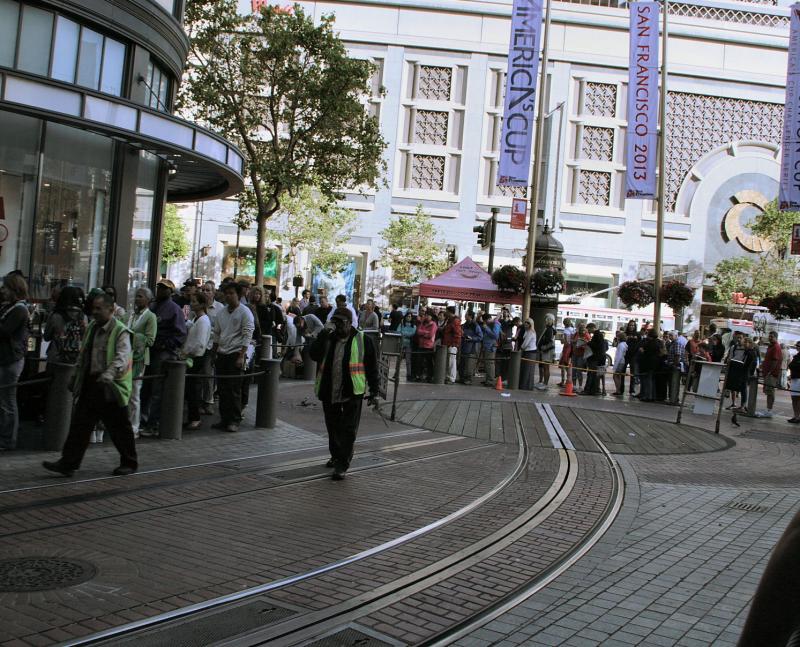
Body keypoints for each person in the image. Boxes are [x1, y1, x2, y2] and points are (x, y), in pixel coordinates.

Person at [42, 293, 137, 477]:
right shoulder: (92, 327)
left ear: (111, 309)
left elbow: (122, 357)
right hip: (91, 382)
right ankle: (68, 463)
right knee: (80, 424)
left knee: (119, 426)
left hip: (111, 386)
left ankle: (129, 462)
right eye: (93, 308)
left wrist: (109, 374)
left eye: (98, 309)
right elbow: (83, 354)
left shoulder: (121, 331)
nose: (94, 312)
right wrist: (76, 377)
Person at [309, 307, 379, 480]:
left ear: (350, 323)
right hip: (329, 390)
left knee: (348, 430)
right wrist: (322, 334)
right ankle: (336, 455)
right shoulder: (328, 338)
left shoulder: (363, 340)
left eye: (341, 322)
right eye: (336, 322)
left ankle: (342, 464)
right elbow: (313, 354)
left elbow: (372, 367)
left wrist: (374, 391)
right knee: (333, 427)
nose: (338, 326)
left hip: (352, 391)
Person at [140, 279, 187, 436]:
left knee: (156, 390)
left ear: (170, 291)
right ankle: (143, 420)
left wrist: (166, 345)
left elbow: (180, 334)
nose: (160, 290)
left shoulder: (174, 309)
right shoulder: (152, 306)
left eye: (164, 288)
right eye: (159, 287)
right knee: (146, 387)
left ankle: (153, 424)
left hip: (162, 353)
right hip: (148, 351)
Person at [212, 282, 254, 432]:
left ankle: (234, 420)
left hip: (236, 353)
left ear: (238, 294)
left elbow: (247, 334)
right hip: (222, 353)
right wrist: (214, 353)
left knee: (234, 389)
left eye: (232, 293)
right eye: (226, 293)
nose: (228, 296)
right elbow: (217, 333)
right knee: (222, 389)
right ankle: (224, 418)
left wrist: (241, 355)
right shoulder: (221, 313)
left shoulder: (245, 312)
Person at [0, 273, 30, 450]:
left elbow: (4, 331)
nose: (2, 290)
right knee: (4, 399)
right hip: (6, 358)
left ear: (14, 289)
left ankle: (7, 439)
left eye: (5, 287)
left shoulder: (19, 310)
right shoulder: (9, 307)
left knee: (7, 400)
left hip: (10, 359)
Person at [127, 288, 157, 439]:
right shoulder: (131, 315)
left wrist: (133, 337)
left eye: (140, 296)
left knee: (134, 393)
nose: (137, 299)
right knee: (126, 392)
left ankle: (134, 427)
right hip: (127, 357)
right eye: (136, 296)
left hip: (139, 359)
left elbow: (150, 340)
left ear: (148, 299)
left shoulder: (150, 317)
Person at [181, 292, 212, 430]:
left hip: (196, 358)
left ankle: (195, 418)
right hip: (192, 356)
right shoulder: (196, 319)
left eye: (194, 301)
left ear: (201, 304)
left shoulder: (203, 321)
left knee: (193, 389)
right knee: (190, 389)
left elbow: (199, 343)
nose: (192, 304)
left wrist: (187, 353)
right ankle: (192, 417)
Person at [43, 286, 86, 368]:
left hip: (55, 357)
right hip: (75, 359)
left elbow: (46, 337)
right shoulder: (82, 316)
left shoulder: (55, 315)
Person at [723, 332, 749, 411]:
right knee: (732, 387)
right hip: (734, 367)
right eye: (737, 338)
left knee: (743, 388)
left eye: (740, 338)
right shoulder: (733, 347)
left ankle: (743, 405)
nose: (738, 339)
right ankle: (733, 403)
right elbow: (730, 357)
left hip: (742, 369)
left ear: (744, 338)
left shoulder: (746, 348)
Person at [760, 331, 782, 418]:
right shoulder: (771, 346)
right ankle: (768, 409)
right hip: (768, 373)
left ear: (776, 337)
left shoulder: (776, 347)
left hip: (772, 374)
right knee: (768, 392)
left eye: (771, 337)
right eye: (769, 336)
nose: (769, 338)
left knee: (770, 392)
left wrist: (770, 372)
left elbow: (775, 360)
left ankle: (769, 410)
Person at [414, 309, 437, 382]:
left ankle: (429, 377)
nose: (426, 317)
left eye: (428, 315)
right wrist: (426, 332)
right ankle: (419, 376)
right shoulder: (422, 323)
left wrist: (423, 333)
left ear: (431, 316)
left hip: (429, 346)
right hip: (421, 345)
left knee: (428, 362)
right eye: (426, 315)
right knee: (419, 362)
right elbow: (418, 331)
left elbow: (430, 335)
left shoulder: (433, 324)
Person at [460, 311, 482, 386]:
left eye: (466, 315)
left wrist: (472, 338)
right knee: (462, 364)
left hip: (471, 348)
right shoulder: (464, 325)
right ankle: (462, 378)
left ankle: (468, 379)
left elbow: (480, 337)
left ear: (470, 316)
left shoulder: (475, 325)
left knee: (469, 365)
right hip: (463, 347)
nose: (465, 316)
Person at [583, 327, 607, 396]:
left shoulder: (596, 336)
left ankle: (588, 390)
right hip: (600, 360)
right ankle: (595, 389)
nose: (588, 331)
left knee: (591, 374)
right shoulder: (601, 338)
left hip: (594, 359)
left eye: (588, 329)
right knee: (597, 375)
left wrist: (588, 343)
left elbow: (594, 345)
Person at [535, 314, 556, 390]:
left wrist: (542, 345)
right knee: (544, 367)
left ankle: (545, 384)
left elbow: (548, 340)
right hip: (546, 350)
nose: (545, 321)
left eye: (547, 319)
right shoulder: (549, 328)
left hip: (547, 351)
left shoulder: (550, 329)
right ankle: (544, 383)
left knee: (546, 367)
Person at [442, 306, 462, 385]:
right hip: (448, 343)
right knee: (449, 361)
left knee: (452, 362)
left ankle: (451, 378)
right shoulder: (450, 320)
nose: (445, 312)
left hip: (452, 344)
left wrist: (454, 344)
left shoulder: (454, 321)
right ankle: (448, 377)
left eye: (446, 311)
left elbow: (457, 333)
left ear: (449, 312)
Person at [481, 313, 501, 387]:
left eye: (485, 321)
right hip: (487, 346)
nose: (485, 323)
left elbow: (495, 335)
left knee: (490, 363)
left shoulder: (495, 324)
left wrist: (486, 328)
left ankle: (490, 381)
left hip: (491, 347)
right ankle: (488, 379)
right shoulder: (491, 324)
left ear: (488, 319)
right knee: (487, 364)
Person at [518, 318, 538, 390]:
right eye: (525, 322)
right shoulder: (527, 331)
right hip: (528, 352)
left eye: (528, 323)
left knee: (527, 370)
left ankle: (526, 386)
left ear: (531, 324)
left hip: (530, 353)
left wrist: (520, 349)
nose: (526, 324)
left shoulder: (531, 332)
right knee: (526, 369)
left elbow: (525, 343)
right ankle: (525, 385)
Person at [557, 318, 575, 387]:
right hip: (571, 349)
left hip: (566, 349)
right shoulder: (573, 329)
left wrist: (561, 340)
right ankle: (568, 381)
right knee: (567, 366)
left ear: (564, 323)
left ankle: (563, 381)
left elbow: (567, 342)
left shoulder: (566, 330)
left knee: (563, 365)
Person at [399, 312, 416, 381]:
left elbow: (412, 333)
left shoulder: (413, 326)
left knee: (408, 360)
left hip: (409, 344)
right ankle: (396, 373)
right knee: (399, 360)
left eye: (410, 316)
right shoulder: (401, 324)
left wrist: (404, 334)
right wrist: (406, 334)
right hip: (401, 343)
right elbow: (399, 331)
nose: (409, 318)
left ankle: (409, 374)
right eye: (407, 316)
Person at [787, 341, 800, 424]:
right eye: (797, 345)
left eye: (799, 346)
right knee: (794, 398)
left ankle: (797, 417)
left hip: (799, 380)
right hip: (794, 379)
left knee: (798, 399)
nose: (797, 347)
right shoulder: (797, 356)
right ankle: (795, 416)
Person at [612, 331, 628, 396]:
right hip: (622, 361)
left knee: (615, 376)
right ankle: (619, 390)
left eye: (618, 337)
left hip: (620, 362)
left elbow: (619, 356)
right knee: (619, 376)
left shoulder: (621, 345)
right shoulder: (624, 344)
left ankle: (618, 390)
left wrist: (615, 366)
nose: (617, 338)